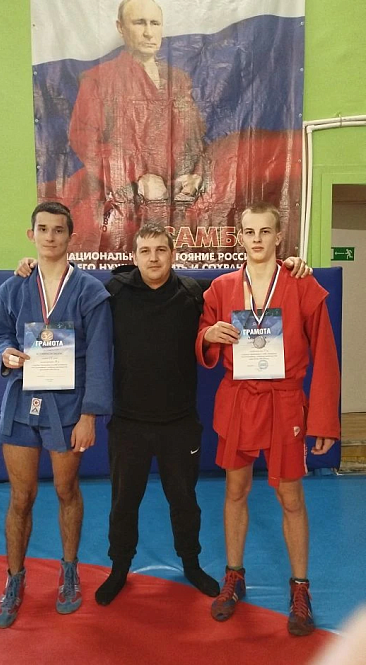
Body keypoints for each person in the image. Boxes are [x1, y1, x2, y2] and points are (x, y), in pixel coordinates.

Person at [15, 220, 311, 606]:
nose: (153, 258)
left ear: (173, 254)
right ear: (134, 256)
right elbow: (67, 283)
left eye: (161, 251)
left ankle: (191, 563)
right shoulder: (113, 292)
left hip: (179, 422)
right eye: (145, 251)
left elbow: (251, 280)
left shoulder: (194, 292)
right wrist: (32, 265)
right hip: (129, 421)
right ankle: (119, 567)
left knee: (185, 500)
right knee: (124, 501)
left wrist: (290, 264)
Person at [195, 202, 340, 635]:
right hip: (240, 400)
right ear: (240, 238)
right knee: (235, 490)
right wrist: (209, 335)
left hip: (284, 402)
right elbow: (203, 335)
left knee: (291, 496)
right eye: (249, 232)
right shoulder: (221, 287)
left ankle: (300, 587)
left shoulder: (302, 284)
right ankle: (234, 576)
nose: (257, 239)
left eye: (265, 231)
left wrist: (323, 421)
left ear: (279, 236)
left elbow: (326, 353)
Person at [0, 201, 113, 628]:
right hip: (22, 401)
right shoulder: (15, 286)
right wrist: (5, 353)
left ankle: (70, 571)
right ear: (32, 235)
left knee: (65, 489)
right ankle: (14, 578)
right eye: (43, 229)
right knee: (20, 497)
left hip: (69, 405)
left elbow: (100, 357)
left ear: (70, 237)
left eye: (59, 230)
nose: (51, 237)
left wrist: (90, 414)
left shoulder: (90, 290)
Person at [67, 0, 205, 252]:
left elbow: (195, 137)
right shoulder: (99, 79)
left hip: (175, 196)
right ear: (120, 27)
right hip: (120, 196)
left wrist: (193, 174)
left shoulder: (179, 79)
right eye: (139, 23)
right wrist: (135, 178)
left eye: (155, 23)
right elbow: (84, 139)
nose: (149, 32)